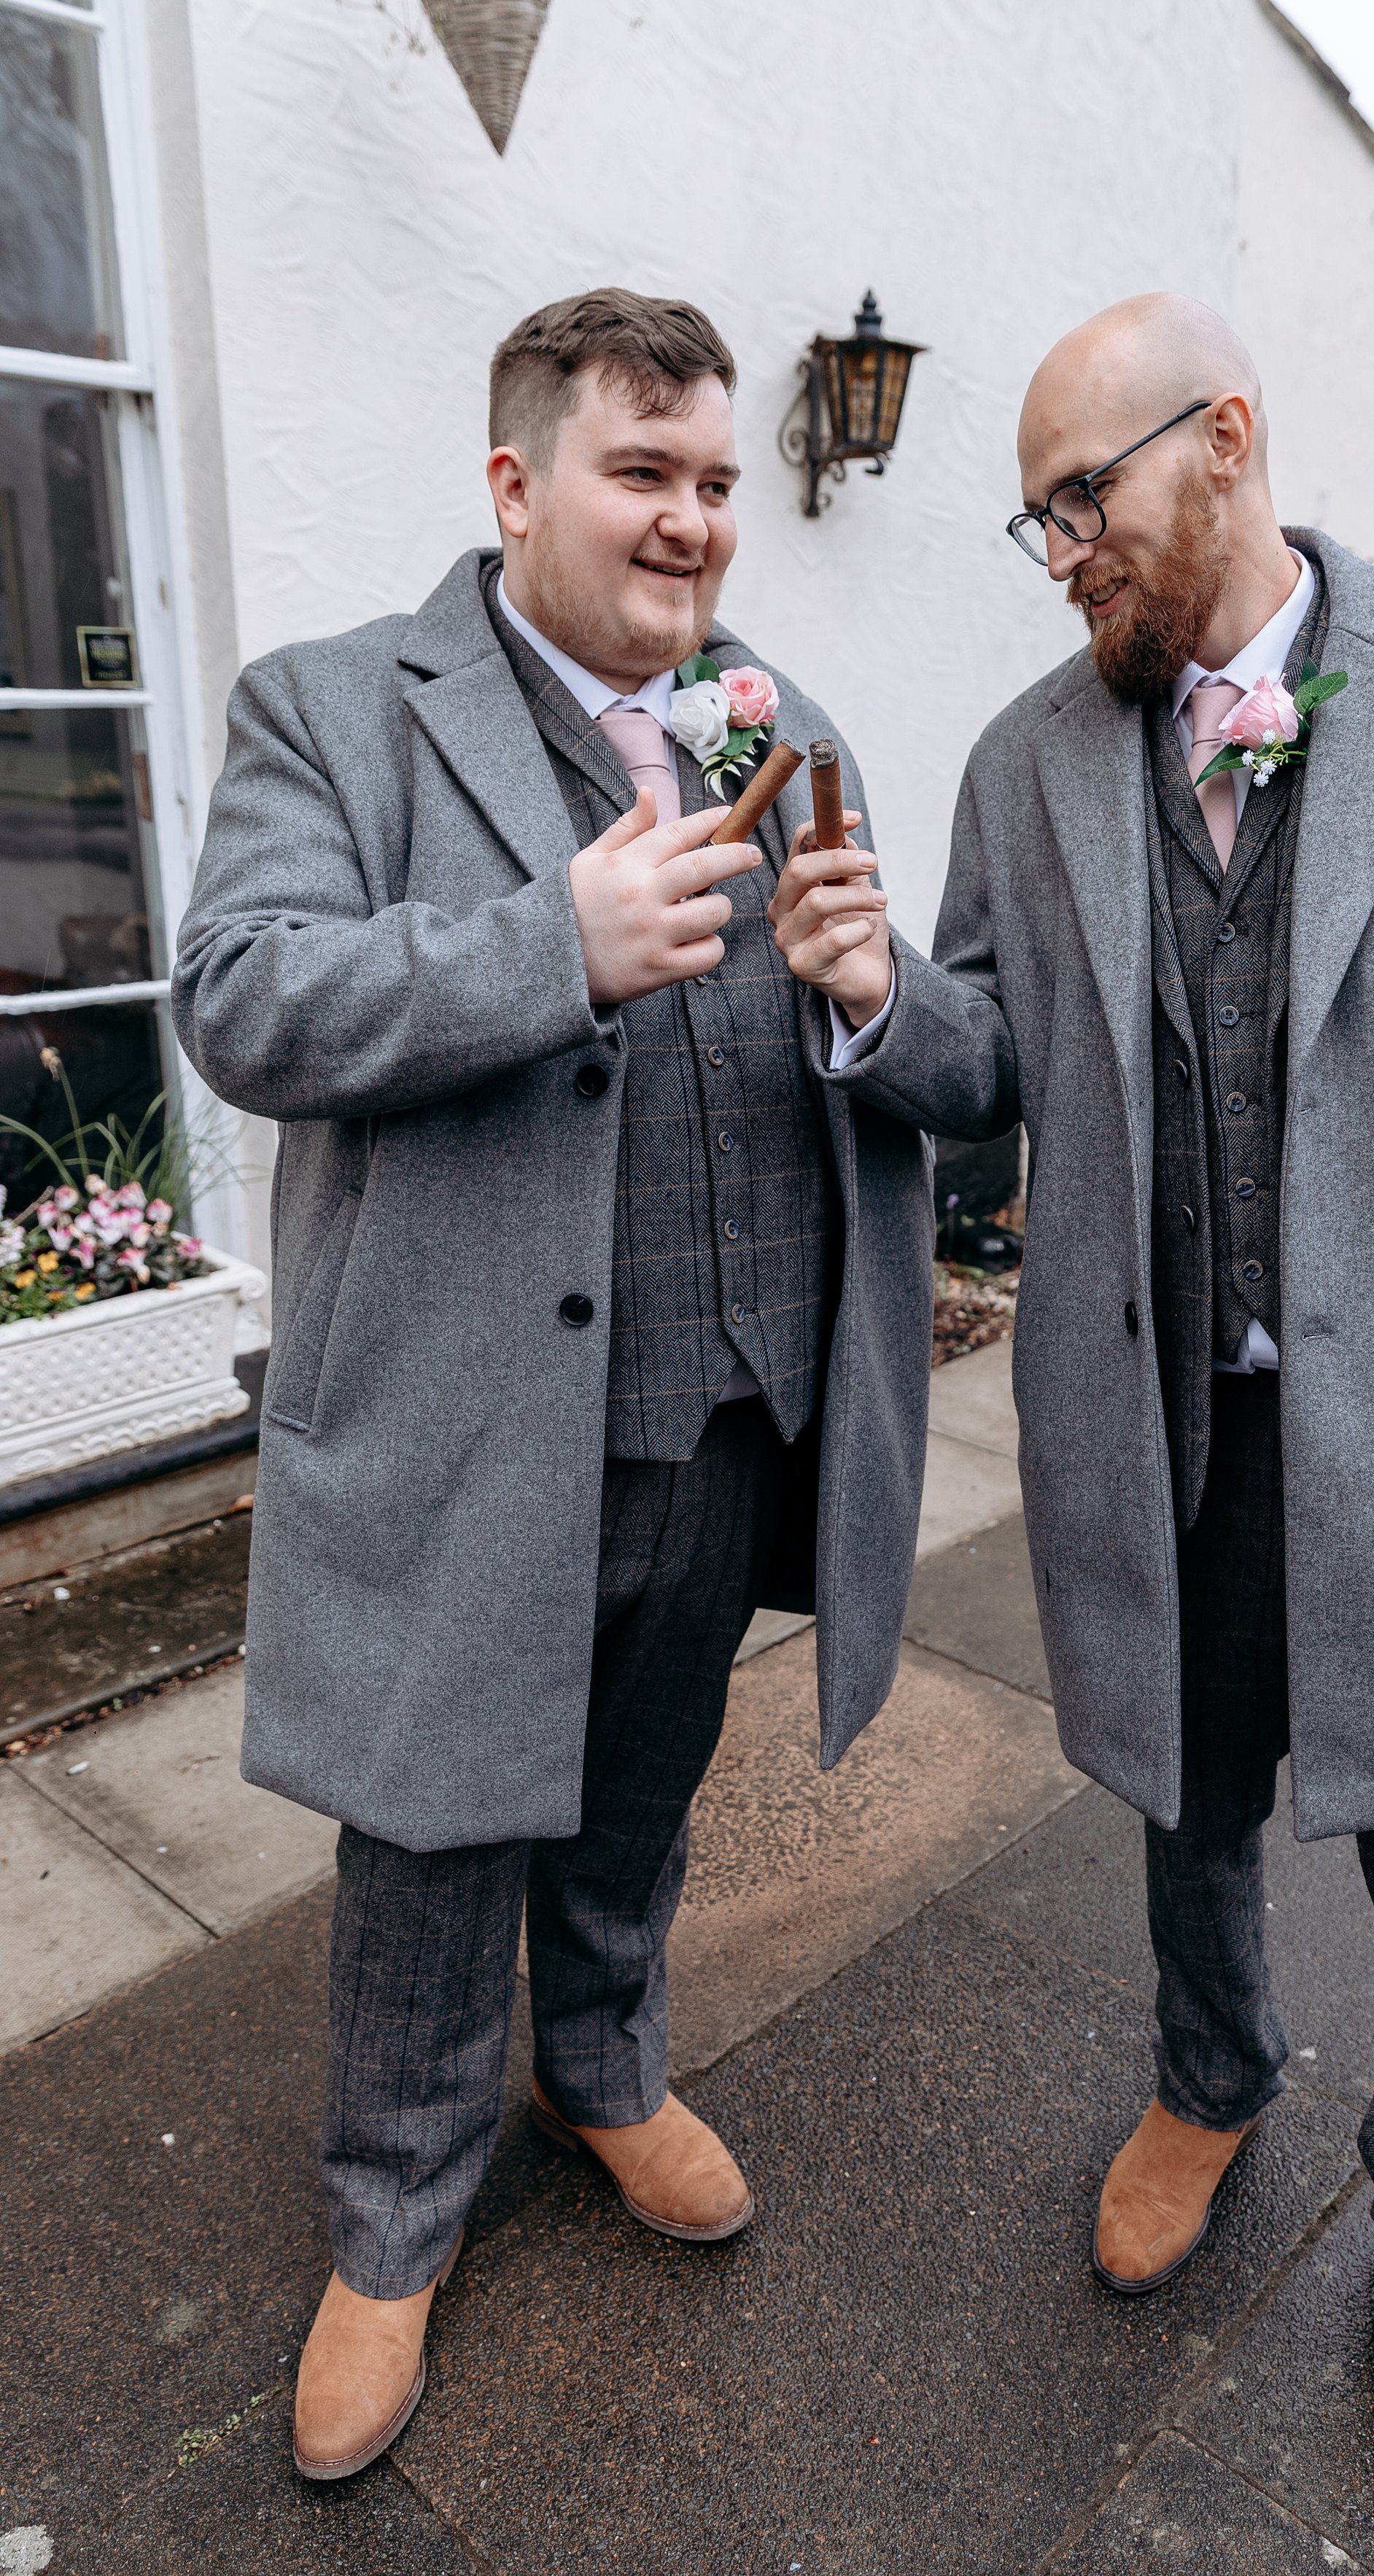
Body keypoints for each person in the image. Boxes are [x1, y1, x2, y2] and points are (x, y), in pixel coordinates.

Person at [768, 292, 1374, 2538]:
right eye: (1036, 518)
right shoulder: (1027, 760)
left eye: (1080, 498)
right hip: (1150, 1425)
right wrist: (881, 1000)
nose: (1059, 548)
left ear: (1226, 441)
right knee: (1184, 1807)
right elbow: (990, 1064)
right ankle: (1207, 2077)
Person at [173, 288, 934, 2480]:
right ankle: (391, 2222)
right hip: (471, 1417)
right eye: (643, 473)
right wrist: (549, 947)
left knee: (643, 1783)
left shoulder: (785, 721)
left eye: (715, 481)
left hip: (726, 1396)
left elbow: (851, 1003)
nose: (692, 520)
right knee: (430, 1832)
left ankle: (600, 2067)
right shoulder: (334, 708)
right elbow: (241, 998)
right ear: (517, 484)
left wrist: (862, 1000)